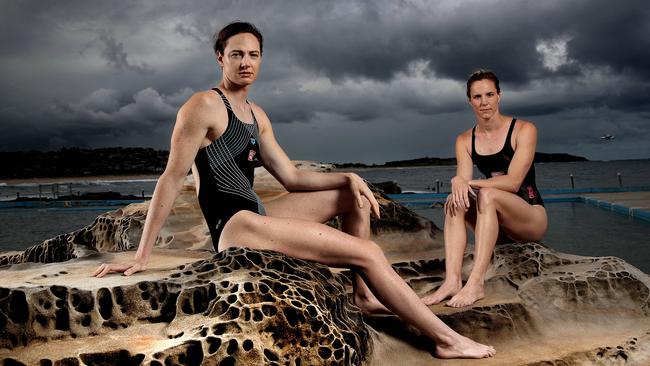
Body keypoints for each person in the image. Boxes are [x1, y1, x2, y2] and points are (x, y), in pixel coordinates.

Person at [93, 22, 495, 358]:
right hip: (235, 226)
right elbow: (171, 177)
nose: (246, 62)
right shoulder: (202, 106)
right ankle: (445, 339)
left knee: (350, 194)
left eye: (253, 54)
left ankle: (363, 296)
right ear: (221, 58)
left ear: (261, 59)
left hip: (258, 215)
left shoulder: (257, 116)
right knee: (369, 252)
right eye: (236, 54)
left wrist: (348, 178)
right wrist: (142, 254)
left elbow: (292, 178)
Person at [422, 69, 548, 308]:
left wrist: (467, 182)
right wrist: (458, 183)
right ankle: (452, 280)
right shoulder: (464, 140)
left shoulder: (524, 130)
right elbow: (461, 185)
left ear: (499, 95)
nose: (484, 102)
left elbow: (513, 182)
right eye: (477, 97)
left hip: (531, 218)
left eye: (489, 94)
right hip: (496, 227)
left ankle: (477, 283)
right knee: (454, 200)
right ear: (470, 101)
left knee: (485, 194)